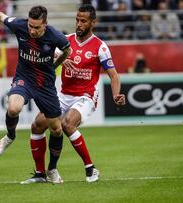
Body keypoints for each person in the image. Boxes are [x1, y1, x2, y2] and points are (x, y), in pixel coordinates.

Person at [0, 5, 71, 181]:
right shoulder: (20, 25)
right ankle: (10, 136)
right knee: (14, 108)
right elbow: (0, 15)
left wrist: (56, 64)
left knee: (56, 129)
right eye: (31, 25)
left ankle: (52, 169)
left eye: (37, 27)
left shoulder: (55, 36)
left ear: (45, 24)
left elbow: (67, 51)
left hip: (45, 84)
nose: (32, 30)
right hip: (24, 78)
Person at [22, 4, 126, 184]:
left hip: (85, 96)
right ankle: (41, 174)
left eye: (83, 21)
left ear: (93, 23)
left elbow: (113, 75)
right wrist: (59, 58)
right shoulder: (65, 41)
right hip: (63, 95)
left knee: (67, 123)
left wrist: (116, 94)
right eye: (77, 20)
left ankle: (90, 168)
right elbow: (46, 55)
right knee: (37, 125)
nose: (79, 24)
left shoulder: (100, 47)